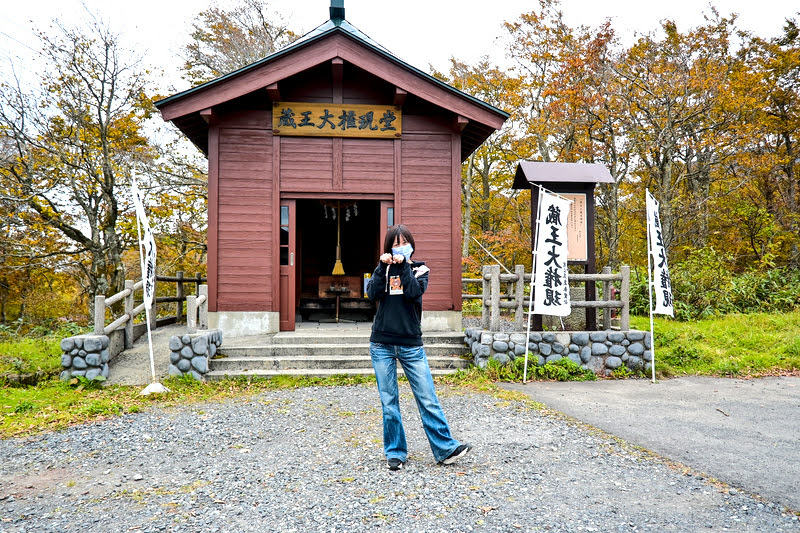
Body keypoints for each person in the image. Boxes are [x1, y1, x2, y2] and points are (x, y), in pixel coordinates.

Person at [366, 224, 471, 471]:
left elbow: (413, 293)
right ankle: (395, 452)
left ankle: (445, 448)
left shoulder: (420, 269)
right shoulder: (382, 268)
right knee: (389, 402)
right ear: (388, 247)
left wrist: (403, 267)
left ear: (411, 245)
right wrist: (383, 267)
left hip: (411, 344)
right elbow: (372, 293)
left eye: (404, 242)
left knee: (427, 398)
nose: (400, 246)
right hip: (381, 343)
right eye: (395, 243)